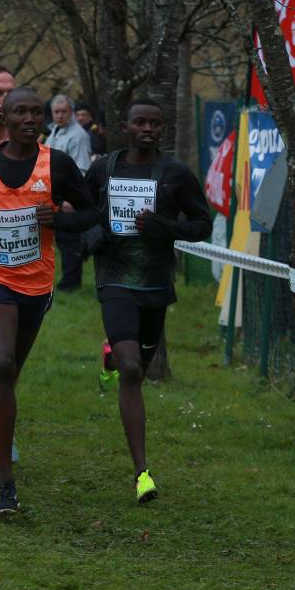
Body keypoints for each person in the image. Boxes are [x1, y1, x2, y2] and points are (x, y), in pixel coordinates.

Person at [0, 86, 97, 517]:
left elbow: (90, 211)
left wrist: (63, 219)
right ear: (5, 117)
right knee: (4, 360)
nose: (30, 119)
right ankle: (6, 488)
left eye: (37, 112)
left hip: (36, 283)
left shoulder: (58, 163)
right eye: (21, 112)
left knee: (10, 370)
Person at [85, 99, 212, 503]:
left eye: (155, 123)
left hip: (155, 283)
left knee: (136, 362)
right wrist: (92, 237)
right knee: (132, 372)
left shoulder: (176, 174)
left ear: (163, 128)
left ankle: (111, 355)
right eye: (140, 121)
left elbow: (203, 226)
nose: (148, 129)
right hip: (115, 278)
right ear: (126, 125)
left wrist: (164, 227)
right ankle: (142, 472)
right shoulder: (103, 168)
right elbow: (80, 211)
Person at [47, 94, 93, 292]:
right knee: (61, 241)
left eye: (63, 111)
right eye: (56, 112)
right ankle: (66, 281)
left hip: (67, 197)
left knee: (70, 242)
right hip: (54, 194)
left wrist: (71, 199)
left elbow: (82, 169)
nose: (59, 115)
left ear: (71, 112)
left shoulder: (79, 136)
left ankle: (70, 283)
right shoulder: (55, 130)